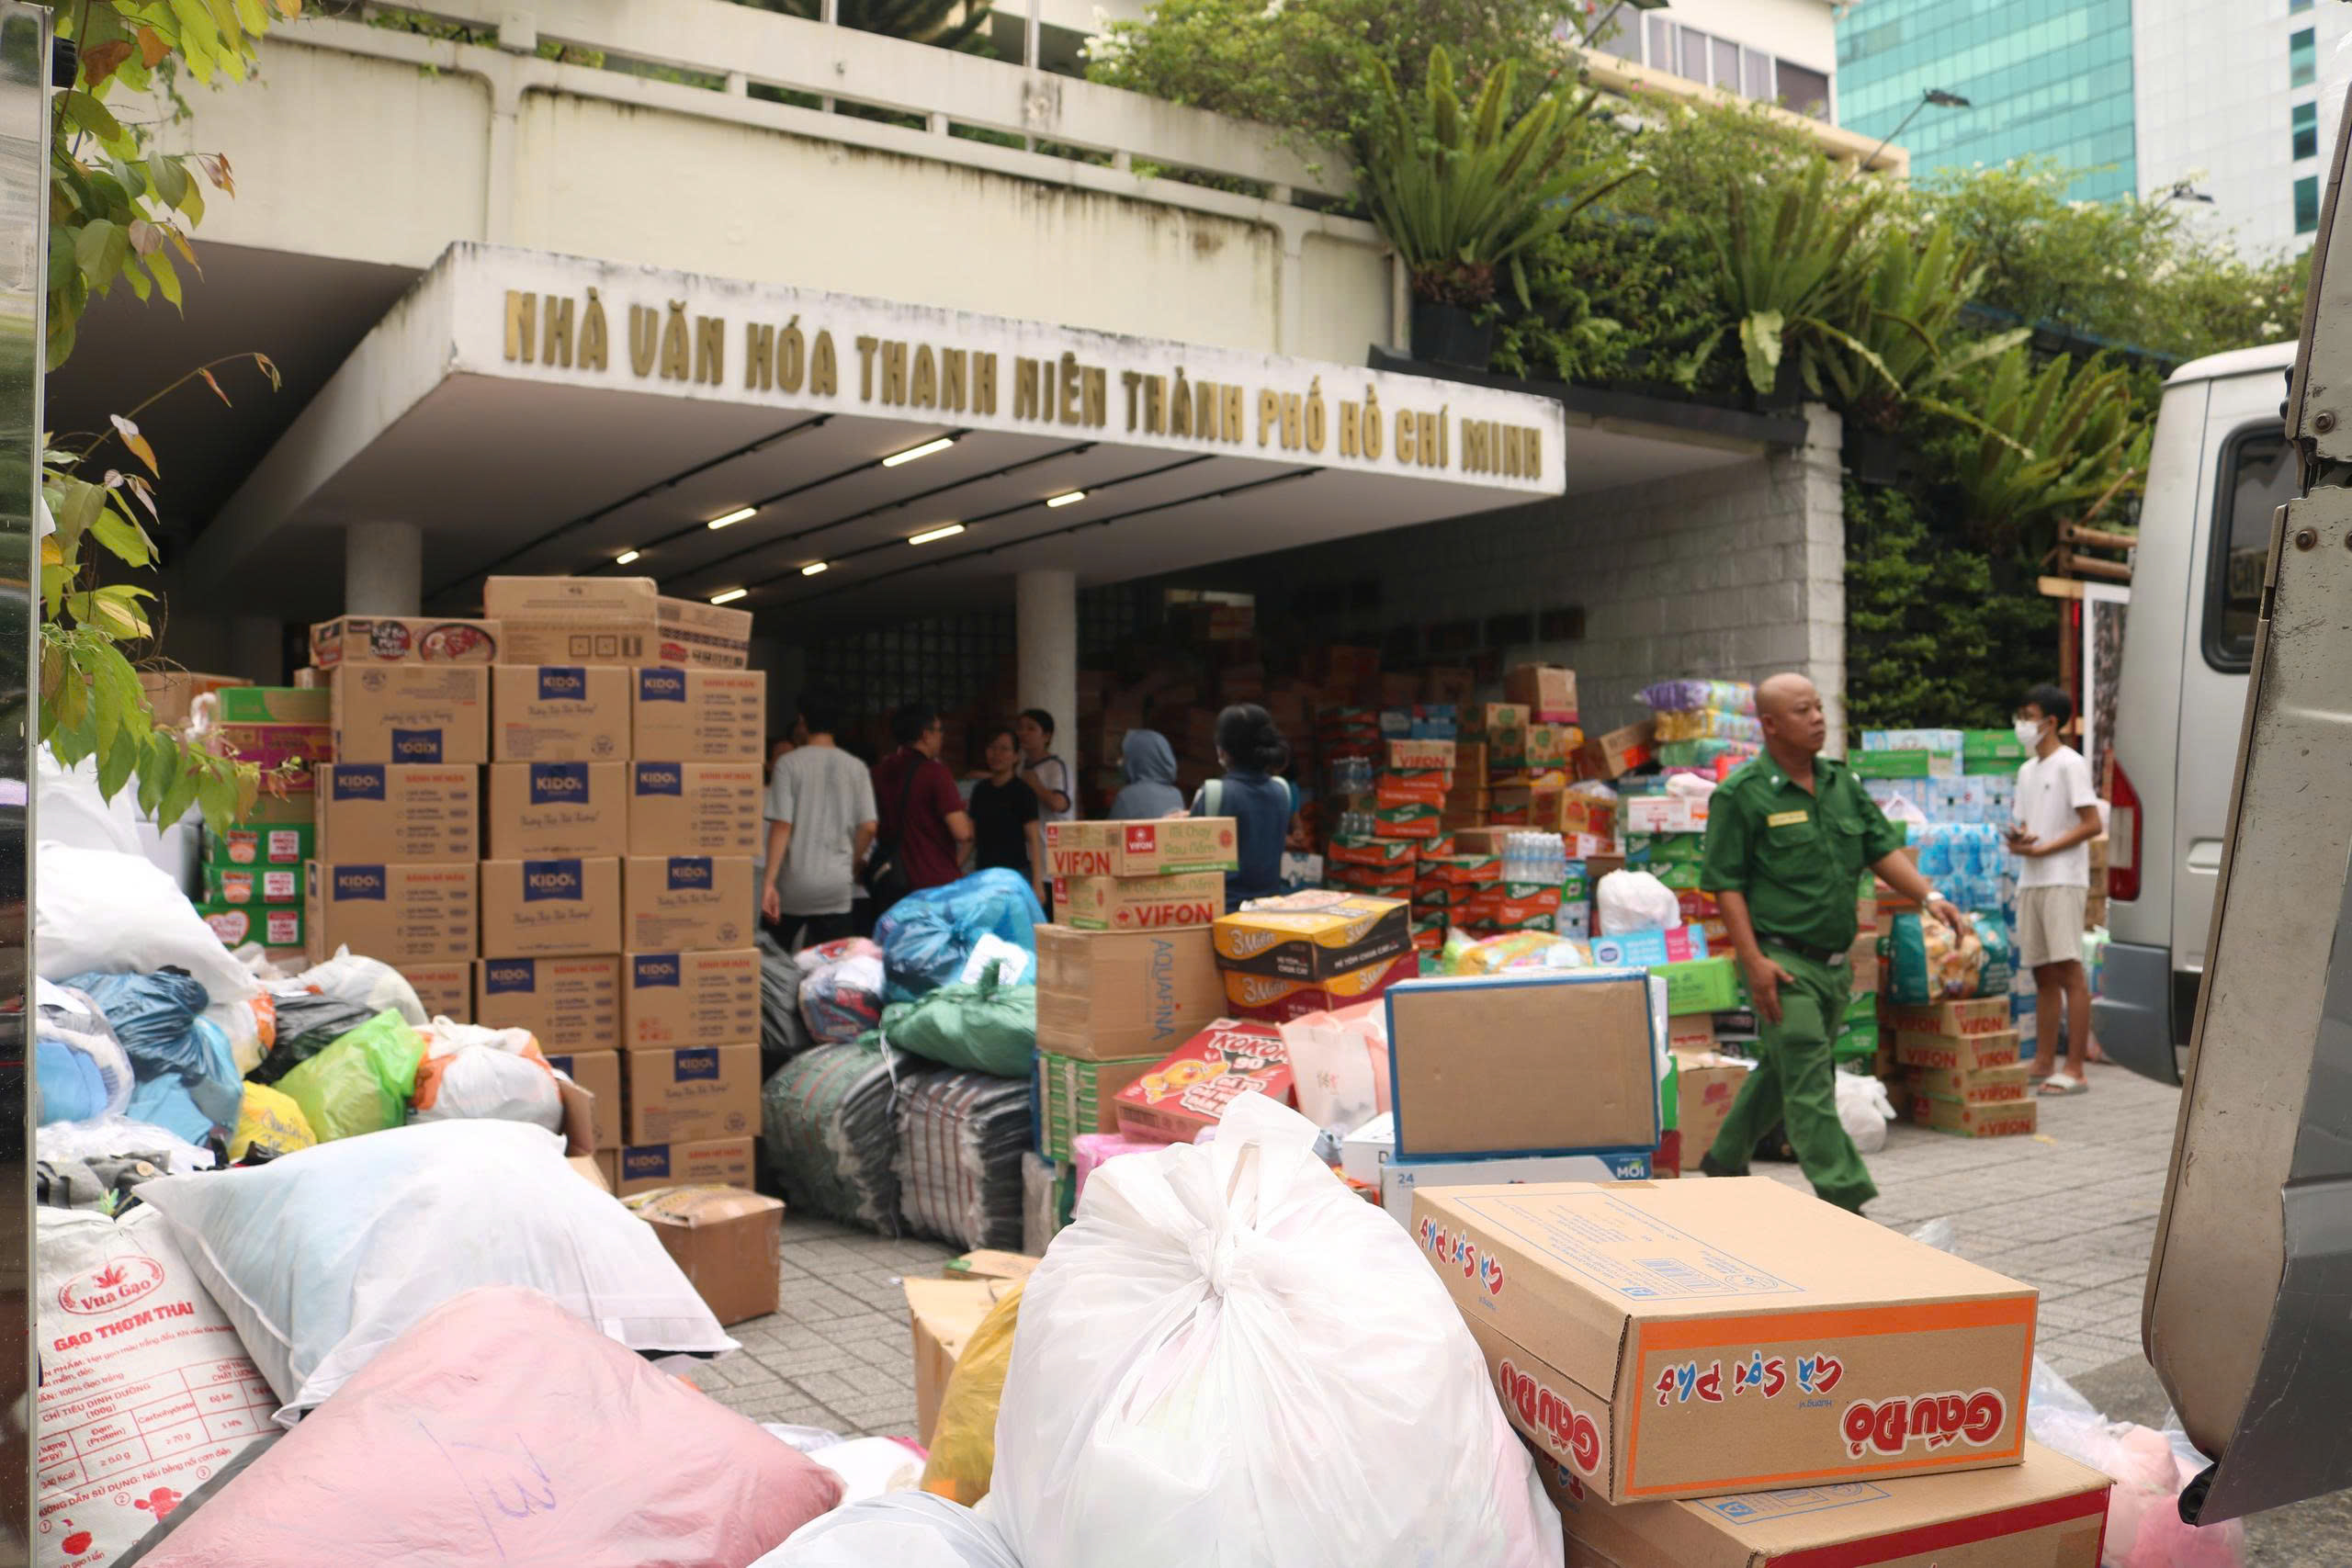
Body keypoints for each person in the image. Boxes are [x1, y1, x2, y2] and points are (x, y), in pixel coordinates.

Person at [1698, 672, 1965, 1214]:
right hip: (1781, 962)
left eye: (1819, 707)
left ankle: (1723, 1163)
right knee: (1809, 1081)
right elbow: (1725, 885)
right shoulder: (1741, 796)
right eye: (1803, 710)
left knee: (1783, 1071)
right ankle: (1848, 1201)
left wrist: (1928, 896)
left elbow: (1879, 848)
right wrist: (1753, 962)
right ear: (1770, 725)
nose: (1818, 717)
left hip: (1835, 966)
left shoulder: (1843, 784)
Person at [2006, 682, 2103, 1096]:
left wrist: (2046, 848)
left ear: (2050, 721)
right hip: (2032, 877)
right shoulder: (2027, 771)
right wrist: (2020, 841)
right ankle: (2044, 1060)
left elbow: (2091, 823)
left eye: (2028, 716)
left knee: (2069, 969)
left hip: (2063, 877)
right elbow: (2028, 824)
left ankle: (2075, 1068)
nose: (2022, 724)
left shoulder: (2070, 764)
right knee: (2042, 972)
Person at [760, 690, 876, 951]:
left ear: (803, 721)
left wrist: (768, 883)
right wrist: (852, 861)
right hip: (837, 885)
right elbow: (869, 826)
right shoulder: (856, 767)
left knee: (772, 964)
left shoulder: (788, 764)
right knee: (828, 967)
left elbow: (782, 826)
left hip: (794, 885)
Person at [1191, 703, 1301, 909]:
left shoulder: (1213, 793)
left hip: (1222, 915)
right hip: (1267, 914)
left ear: (1223, 750)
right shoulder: (1281, 791)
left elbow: (1187, 860)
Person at [870, 702, 974, 897]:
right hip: (933, 881)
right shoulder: (935, 772)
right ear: (926, 735)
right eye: (940, 730)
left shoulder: (878, 771)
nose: (942, 736)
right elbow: (962, 831)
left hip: (890, 878)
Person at [967, 723, 1044, 901]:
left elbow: (1034, 840)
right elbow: (970, 838)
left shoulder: (1024, 792)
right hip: (983, 875)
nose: (997, 754)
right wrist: (954, 869)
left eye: (1004, 749)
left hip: (1014, 876)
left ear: (1016, 756)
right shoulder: (980, 790)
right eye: (992, 748)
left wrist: (1037, 882)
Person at [1014, 708, 1075, 825]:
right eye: (1020, 728)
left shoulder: (1056, 767)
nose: (1023, 733)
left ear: (1046, 736)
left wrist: (1035, 785)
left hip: (1051, 841)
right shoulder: (1020, 766)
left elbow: (1059, 804)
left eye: (1031, 728)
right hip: (1029, 842)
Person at [1109, 727, 1185, 819]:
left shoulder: (1127, 797)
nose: (1119, 762)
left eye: (1123, 756)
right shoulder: (1177, 795)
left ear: (1137, 759)